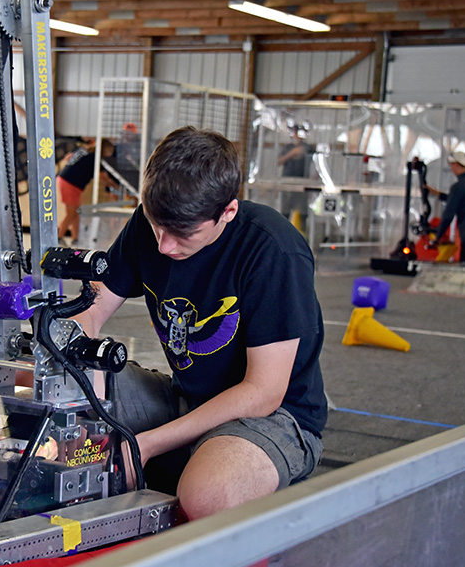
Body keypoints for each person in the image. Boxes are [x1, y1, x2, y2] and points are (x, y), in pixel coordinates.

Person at [75, 126, 326, 521]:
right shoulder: (152, 224)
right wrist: (71, 361)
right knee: (63, 379)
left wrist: (147, 444)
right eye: (157, 227)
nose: (164, 246)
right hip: (185, 399)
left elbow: (263, 393)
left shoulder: (274, 251)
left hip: (273, 417)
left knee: (210, 495)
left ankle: (220, 469)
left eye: (181, 234)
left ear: (227, 211)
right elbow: (89, 310)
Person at [57, 139, 115, 243]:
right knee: (71, 213)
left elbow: (67, 158)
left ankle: (76, 238)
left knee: (76, 212)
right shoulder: (95, 158)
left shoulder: (83, 151)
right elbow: (103, 177)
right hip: (70, 183)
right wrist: (114, 187)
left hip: (66, 181)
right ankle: (59, 237)